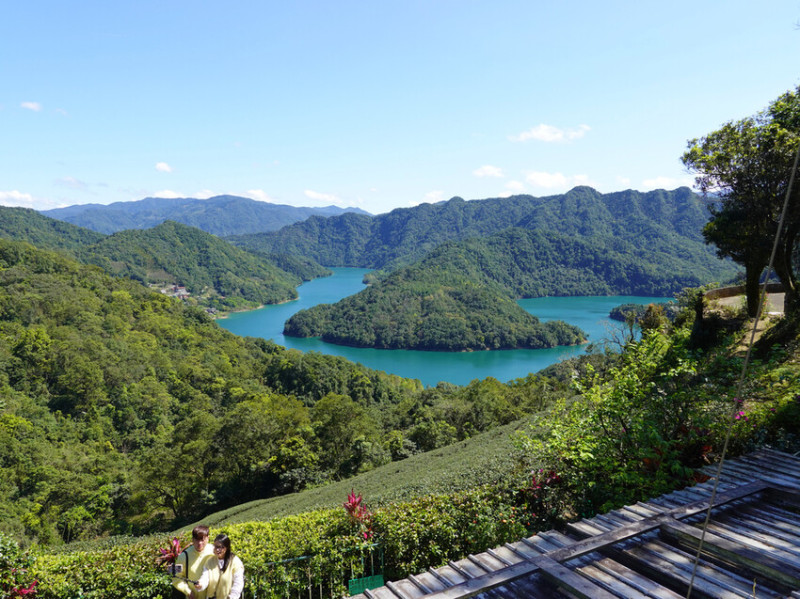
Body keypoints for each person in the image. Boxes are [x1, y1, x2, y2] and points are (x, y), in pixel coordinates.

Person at [195, 533, 245, 599]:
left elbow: (238, 583)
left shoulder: (235, 562)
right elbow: (205, 578)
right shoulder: (210, 561)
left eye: (220, 547)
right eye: (215, 546)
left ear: (226, 548)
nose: (217, 549)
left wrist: (232, 596)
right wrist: (200, 584)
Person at [171, 525, 215, 599]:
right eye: (197, 539)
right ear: (192, 539)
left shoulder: (214, 551)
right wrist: (187, 591)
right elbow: (176, 578)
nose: (199, 543)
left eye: (202, 539)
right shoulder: (183, 556)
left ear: (208, 538)